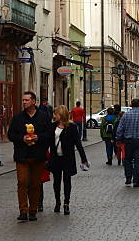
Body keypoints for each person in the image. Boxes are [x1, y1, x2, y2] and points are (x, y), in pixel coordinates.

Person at [7, 91, 52, 221]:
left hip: (38, 156)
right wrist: (22, 138)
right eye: (23, 100)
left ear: (33, 101)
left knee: (35, 184)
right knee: (22, 182)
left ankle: (33, 210)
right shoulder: (18, 118)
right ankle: (23, 210)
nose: (24, 102)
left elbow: (49, 135)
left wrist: (38, 137)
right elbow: (11, 135)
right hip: (22, 156)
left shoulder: (43, 117)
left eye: (26, 100)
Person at [48, 105, 89, 215]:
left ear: (60, 115)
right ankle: (58, 202)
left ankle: (66, 203)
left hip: (67, 158)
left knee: (67, 180)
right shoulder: (52, 126)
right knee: (56, 181)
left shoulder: (72, 127)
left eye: (55, 114)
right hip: (55, 157)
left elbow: (78, 144)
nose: (54, 116)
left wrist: (83, 159)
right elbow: (47, 141)